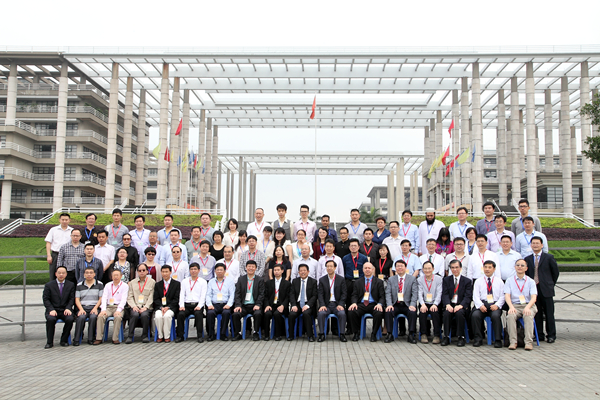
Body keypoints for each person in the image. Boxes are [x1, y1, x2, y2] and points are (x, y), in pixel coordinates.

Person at [526, 236, 559, 343]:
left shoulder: (549, 257)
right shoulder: (527, 259)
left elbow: (555, 273)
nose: (535, 245)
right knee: (537, 313)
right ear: (531, 245)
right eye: (533, 243)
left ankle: (551, 335)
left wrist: (550, 284)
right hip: (533, 291)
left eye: (537, 243)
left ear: (542, 245)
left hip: (546, 289)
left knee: (549, 313)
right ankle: (539, 334)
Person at [504, 259, 538, 350]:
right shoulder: (509, 281)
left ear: (526, 268)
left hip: (529, 305)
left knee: (528, 315)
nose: (520, 267)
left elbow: (533, 297)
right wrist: (511, 307)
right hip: (515, 305)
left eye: (522, 265)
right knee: (510, 316)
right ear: (515, 267)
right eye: (518, 265)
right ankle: (513, 342)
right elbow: (507, 296)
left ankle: (528, 342)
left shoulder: (530, 281)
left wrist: (527, 307)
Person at [471, 260, 505, 348]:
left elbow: (503, 296)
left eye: (490, 267)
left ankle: (497, 340)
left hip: (494, 304)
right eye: (485, 267)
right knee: (475, 315)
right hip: (482, 304)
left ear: (494, 269)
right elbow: (475, 296)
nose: (487, 269)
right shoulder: (478, 281)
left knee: (495, 316)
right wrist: (480, 305)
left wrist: (497, 305)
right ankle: (478, 339)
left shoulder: (499, 281)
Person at [348, 263, 385, 342]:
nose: (367, 270)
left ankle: (374, 334)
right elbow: (354, 295)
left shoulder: (379, 282)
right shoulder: (358, 282)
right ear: (363, 270)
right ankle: (356, 333)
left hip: (373, 304)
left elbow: (382, 296)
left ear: (372, 270)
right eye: (365, 268)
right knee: (351, 311)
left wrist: (379, 304)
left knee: (378, 313)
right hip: (361, 304)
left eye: (369, 268)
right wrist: (354, 303)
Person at [384, 260, 418, 343]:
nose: (400, 268)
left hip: (407, 304)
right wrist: (389, 304)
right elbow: (388, 293)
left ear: (405, 267)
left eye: (401, 266)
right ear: (395, 268)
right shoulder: (391, 279)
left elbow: (415, 293)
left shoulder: (412, 279)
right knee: (388, 312)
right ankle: (389, 334)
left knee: (412, 312)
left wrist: (412, 305)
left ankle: (411, 334)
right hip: (395, 304)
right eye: (398, 266)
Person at [441, 260, 473, 347]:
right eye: (452, 268)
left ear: (460, 268)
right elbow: (445, 294)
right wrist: (447, 304)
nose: (454, 269)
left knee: (459, 313)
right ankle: (446, 336)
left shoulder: (467, 281)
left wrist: (461, 305)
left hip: (461, 305)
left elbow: (468, 296)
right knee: (446, 313)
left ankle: (460, 337)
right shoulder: (446, 280)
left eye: (456, 267)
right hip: (450, 304)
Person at [42, 266, 75, 348]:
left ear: (66, 274)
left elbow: (72, 298)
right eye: (59, 273)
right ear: (55, 274)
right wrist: (51, 309)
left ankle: (64, 340)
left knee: (70, 319)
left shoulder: (71, 285)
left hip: (65, 309)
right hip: (53, 309)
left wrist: (68, 308)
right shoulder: (49, 285)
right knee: (51, 319)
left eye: (63, 273)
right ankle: (49, 342)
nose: (61, 275)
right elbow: (46, 299)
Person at [93, 269, 129, 345]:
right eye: (114, 275)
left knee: (118, 317)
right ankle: (99, 338)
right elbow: (104, 298)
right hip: (108, 307)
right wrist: (103, 309)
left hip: (118, 307)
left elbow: (124, 300)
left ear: (121, 276)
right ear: (111, 276)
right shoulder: (107, 285)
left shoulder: (125, 286)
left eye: (117, 275)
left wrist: (118, 310)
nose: (115, 277)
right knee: (100, 316)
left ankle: (115, 338)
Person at [175, 263, 208, 343]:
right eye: (191, 269)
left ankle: (199, 336)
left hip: (197, 304)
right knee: (180, 314)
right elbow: (182, 294)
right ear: (189, 271)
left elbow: (203, 296)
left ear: (199, 270)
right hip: (186, 305)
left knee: (198, 314)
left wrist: (199, 306)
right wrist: (181, 306)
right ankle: (180, 336)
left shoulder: (203, 282)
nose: (193, 271)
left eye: (195, 269)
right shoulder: (184, 281)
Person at [232, 260, 264, 341]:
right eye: (249, 266)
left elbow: (261, 294)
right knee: (236, 314)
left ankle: (256, 332)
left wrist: (258, 304)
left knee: (258, 314)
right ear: (246, 268)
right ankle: (238, 333)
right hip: (244, 306)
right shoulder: (241, 279)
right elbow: (237, 294)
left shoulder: (259, 280)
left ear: (256, 268)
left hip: (254, 305)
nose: (251, 268)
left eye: (253, 267)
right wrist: (238, 305)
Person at [317, 260, 347, 342]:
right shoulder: (322, 280)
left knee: (342, 313)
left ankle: (342, 334)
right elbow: (320, 294)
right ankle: (322, 334)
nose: (329, 268)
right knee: (321, 313)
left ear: (335, 267)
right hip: (326, 305)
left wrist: (341, 304)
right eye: (327, 266)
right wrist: (322, 305)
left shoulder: (341, 279)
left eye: (331, 266)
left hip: (337, 304)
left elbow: (344, 294)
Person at [342, 239, 368, 332]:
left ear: (358, 247)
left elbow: (366, 271)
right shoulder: (345, 258)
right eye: (351, 246)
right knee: (349, 304)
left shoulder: (363, 258)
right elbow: (343, 270)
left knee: (359, 304)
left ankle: (359, 327)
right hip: (349, 282)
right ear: (349, 247)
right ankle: (349, 327)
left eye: (355, 245)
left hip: (360, 282)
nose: (353, 247)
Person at [125, 263, 155, 344]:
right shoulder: (132, 282)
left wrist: (146, 307)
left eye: (143, 270)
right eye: (139, 270)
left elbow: (151, 296)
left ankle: (145, 335)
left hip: (146, 306)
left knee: (144, 315)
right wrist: (134, 306)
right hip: (135, 306)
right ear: (137, 272)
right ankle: (130, 336)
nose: (141, 272)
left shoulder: (152, 282)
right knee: (134, 315)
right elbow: (130, 296)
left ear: (147, 271)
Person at [73, 267, 103, 346]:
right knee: (81, 317)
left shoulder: (99, 284)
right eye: (87, 273)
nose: (89, 274)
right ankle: (77, 339)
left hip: (95, 307)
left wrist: (95, 308)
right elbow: (77, 299)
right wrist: (81, 309)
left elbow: (101, 299)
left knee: (93, 317)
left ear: (94, 274)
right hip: (83, 307)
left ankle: (91, 338)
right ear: (84, 274)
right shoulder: (79, 285)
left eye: (91, 273)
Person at [288, 264, 318, 342]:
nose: (302, 272)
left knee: (306, 314)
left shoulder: (313, 281)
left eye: (304, 270)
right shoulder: (295, 281)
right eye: (301, 271)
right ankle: (291, 335)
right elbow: (292, 294)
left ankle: (310, 336)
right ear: (298, 272)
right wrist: (293, 305)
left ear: (308, 271)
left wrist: (308, 305)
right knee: (291, 314)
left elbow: (314, 296)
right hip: (297, 304)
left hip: (309, 304)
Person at [205, 263, 235, 341]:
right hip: (214, 304)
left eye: (221, 270)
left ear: (224, 271)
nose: (219, 271)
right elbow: (208, 295)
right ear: (215, 271)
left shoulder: (230, 281)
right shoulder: (211, 281)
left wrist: (229, 304)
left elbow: (232, 295)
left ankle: (223, 334)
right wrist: (209, 304)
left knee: (226, 313)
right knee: (210, 313)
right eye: (217, 270)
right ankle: (211, 334)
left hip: (225, 304)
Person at [262, 264, 291, 341]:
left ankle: (278, 335)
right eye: (275, 270)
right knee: (267, 314)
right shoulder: (269, 283)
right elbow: (265, 296)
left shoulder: (287, 283)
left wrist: (283, 305)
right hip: (271, 305)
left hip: (281, 305)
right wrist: (267, 305)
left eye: (278, 270)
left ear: (282, 271)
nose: (276, 272)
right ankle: (266, 335)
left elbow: (288, 297)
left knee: (277, 314)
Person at [153, 265, 181, 342]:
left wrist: (168, 307)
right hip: (160, 307)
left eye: (166, 272)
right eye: (163, 272)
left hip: (171, 307)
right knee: (158, 316)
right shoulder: (158, 284)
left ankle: (167, 336)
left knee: (167, 316)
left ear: (170, 272)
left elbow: (176, 298)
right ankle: (160, 335)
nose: (164, 274)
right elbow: (156, 298)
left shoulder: (176, 284)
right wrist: (161, 307)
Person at [417, 261, 443, 344]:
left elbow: (439, 293)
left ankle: (436, 335)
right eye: (425, 268)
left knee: (435, 313)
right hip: (424, 303)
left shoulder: (438, 279)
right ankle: (423, 334)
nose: (427, 270)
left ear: (433, 269)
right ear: (422, 269)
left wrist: (435, 304)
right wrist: (422, 304)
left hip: (435, 303)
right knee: (422, 313)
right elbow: (419, 293)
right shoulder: (420, 280)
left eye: (429, 268)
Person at [45, 213, 73, 280]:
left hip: (68, 255)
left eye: (66, 220)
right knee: (53, 273)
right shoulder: (53, 230)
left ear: (69, 220)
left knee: (68, 274)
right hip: (56, 254)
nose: (64, 221)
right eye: (63, 219)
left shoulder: (72, 230)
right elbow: (48, 242)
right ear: (59, 220)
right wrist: (49, 255)